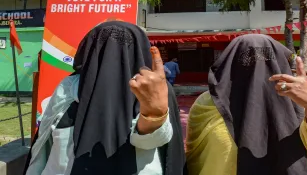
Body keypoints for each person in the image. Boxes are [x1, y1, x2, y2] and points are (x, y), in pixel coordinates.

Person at [24, 21, 186, 175]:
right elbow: (45, 142)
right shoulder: (69, 88)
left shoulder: (154, 90)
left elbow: (155, 141)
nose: (112, 56)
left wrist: (153, 116)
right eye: (102, 48)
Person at [185, 34, 307, 175]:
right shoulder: (209, 103)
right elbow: (196, 157)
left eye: (267, 60)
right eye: (246, 60)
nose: (257, 68)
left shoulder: (305, 97)